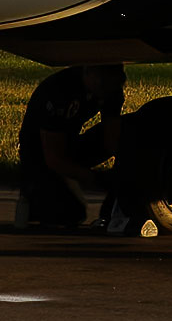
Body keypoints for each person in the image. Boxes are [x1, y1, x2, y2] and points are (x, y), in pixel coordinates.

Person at [15, 64, 125, 227]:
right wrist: (95, 179)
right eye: (102, 84)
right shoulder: (59, 92)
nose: (106, 92)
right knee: (70, 214)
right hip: (40, 155)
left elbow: (112, 137)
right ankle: (33, 193)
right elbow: (53, 158)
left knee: (130, 129)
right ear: (87, 72)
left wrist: (122, 172)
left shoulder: (110, 90)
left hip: (69, 144)